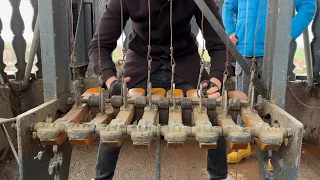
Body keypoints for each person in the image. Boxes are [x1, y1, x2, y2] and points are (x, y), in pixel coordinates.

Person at [89, 0, 229, 179]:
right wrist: (111, 81)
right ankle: (101, 177)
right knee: (118, 113)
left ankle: (219, 177)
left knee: (212, 110)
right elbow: (99, 45)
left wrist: (216, 81)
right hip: (141, 61)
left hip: (185, 60)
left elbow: (219, 44)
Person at [222, 0, 317, 164]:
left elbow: (308, 6)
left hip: (273, 51)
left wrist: (289, 32)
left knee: (273, 103)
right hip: (244, 49)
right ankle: (242, 145)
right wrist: (231, 31)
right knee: (242, 100)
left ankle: (272, 152)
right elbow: (228, 6)